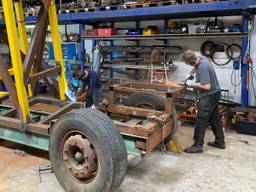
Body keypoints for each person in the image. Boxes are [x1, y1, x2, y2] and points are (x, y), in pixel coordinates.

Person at [182, 50, 225, 153]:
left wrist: (194, 84)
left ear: (191, 61)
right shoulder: (202, 59)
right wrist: (189, 74)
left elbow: (207, 86)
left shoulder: (203, 67)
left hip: (209, 96)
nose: (188, 65)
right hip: (214, 94)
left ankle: (198, 145)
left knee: (201, 120)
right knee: (214, 119)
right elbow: (195, 67)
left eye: (187, 64)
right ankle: (220, 142)